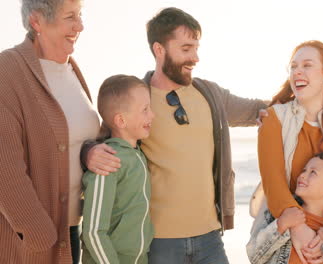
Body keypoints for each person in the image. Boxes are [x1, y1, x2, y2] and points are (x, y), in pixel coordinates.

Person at [81, 7, 268, 264]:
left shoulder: (210, 94)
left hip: (210, 237)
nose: (195, 57)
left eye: (196, 48)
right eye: (186, 48)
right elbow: (107, 140)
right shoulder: (135, 98)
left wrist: (298, 97)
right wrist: (87, 152)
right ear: (159, 50)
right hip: (158, 242)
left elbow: (256, 110)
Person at [0, 0, 99, 263]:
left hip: (71, 231)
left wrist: (90, 151)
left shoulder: (72, 70)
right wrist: (38, 234)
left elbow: (78, 138)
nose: (80, 26)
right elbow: (5, 166)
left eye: (80, 15)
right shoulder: (6, 71)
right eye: (70, 17)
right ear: (37, 21)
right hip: (30, 240)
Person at [255, 40, 323, 263]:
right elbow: (273, 180)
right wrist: (298, 227)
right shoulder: (274, 119)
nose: (298, 71)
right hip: (283, 239)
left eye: (307, 65)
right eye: (293, 66)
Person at [81, 75, 154, 264]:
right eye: (145, 110)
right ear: (121, 120)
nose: (152, 115)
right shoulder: (108, 161)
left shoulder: (137, 155)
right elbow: (93, 232)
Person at [248, 152, 323, 264]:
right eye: (304, 170)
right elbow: (254, 257)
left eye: (313, 172)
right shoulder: (281, 216)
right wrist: (280, 226)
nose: (302, 175)